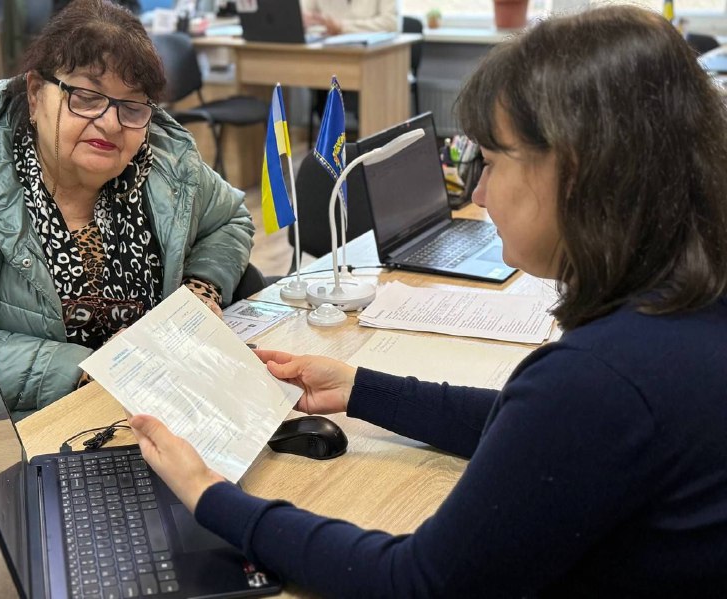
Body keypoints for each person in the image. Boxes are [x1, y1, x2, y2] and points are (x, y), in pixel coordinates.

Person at [130, 6, 727, 597]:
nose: (482, 192)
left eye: (490, 163)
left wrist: (211, 495)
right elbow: (532, 428)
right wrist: (361, 387)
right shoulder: (684, 308)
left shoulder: (603, 378)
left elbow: (416, 581)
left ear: (577, 170)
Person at [0, 0, 254, 416]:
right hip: (31, 429)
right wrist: (88, 371)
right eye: (85, 97)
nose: (111, 123)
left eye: (132, 106)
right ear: (33, 94)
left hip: (167, 406)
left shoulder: (168, 167)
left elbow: (229, 220)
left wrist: (200, 291)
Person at [301, 0, 400, 36]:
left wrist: (342, 27)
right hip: (329, 57)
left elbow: (391, 23)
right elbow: (303, 18)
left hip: (375, 60)